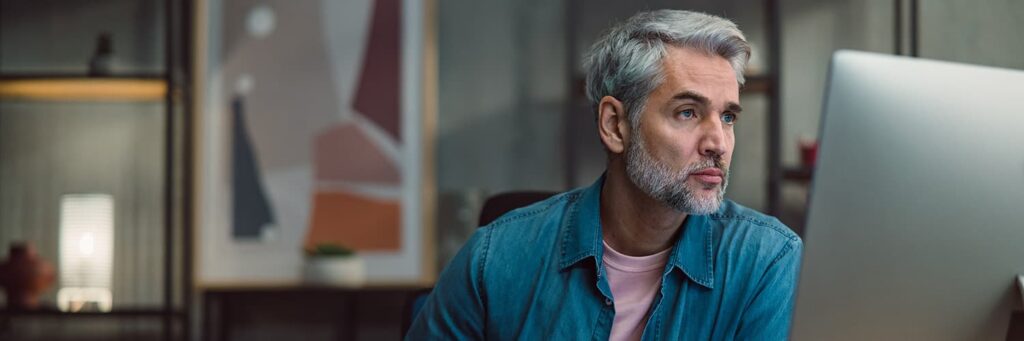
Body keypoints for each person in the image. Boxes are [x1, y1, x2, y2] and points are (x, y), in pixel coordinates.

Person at [408, 9, 802, 340]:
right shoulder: (494, 258)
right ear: (614, 125)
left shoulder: (767, 260)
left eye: (728, 116)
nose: (718, 142)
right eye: (687, 112)